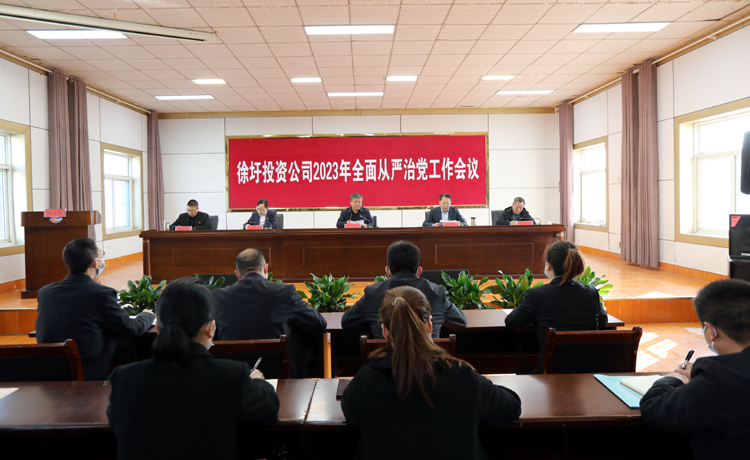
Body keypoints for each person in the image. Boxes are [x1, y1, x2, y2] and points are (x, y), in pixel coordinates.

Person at [107, 277, 279, 460]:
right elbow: (268, 410)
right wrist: (258, 380)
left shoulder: (124, 378)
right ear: (211, 328)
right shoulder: (231, 376)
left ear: (157, 328)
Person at [341, 286, 521, 460]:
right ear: (429, 324)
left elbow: (351, 415)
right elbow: (509, 408)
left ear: (384, 331)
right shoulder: (461, 374)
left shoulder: (366, 380)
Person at [640, 279, 750, 460]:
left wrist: (673, 379)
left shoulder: (717, 378)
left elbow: (654, 410)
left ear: (711, 331)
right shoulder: (722, 374)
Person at [36, 238, 155, 380]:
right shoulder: (101, 294)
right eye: (101, 255)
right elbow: (132, 329)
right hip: (86, 371)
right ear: (95, 262)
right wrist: (147, 314)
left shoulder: (45, 292)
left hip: (48, 370)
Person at [213, 248, 327, 377]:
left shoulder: (218, 297)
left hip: (234, 377)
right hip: (280, 378)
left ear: (237, 274)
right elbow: (319, 324)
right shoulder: (285, 292)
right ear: (266, 268)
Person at [505, 240, 607, 374]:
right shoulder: (591, 293)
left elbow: (512, 322)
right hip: (585, 374)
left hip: (550, 375)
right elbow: (603, 322)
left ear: (548, 266)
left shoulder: (536, 295)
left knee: (523, 370)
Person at [342, 240, 467, 339]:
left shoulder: (373, 294)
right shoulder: (436, 292)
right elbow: (461, 323)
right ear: (419, 271)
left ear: (387, 271)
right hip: (428, 363)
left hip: (386, 363)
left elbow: (347, 323)